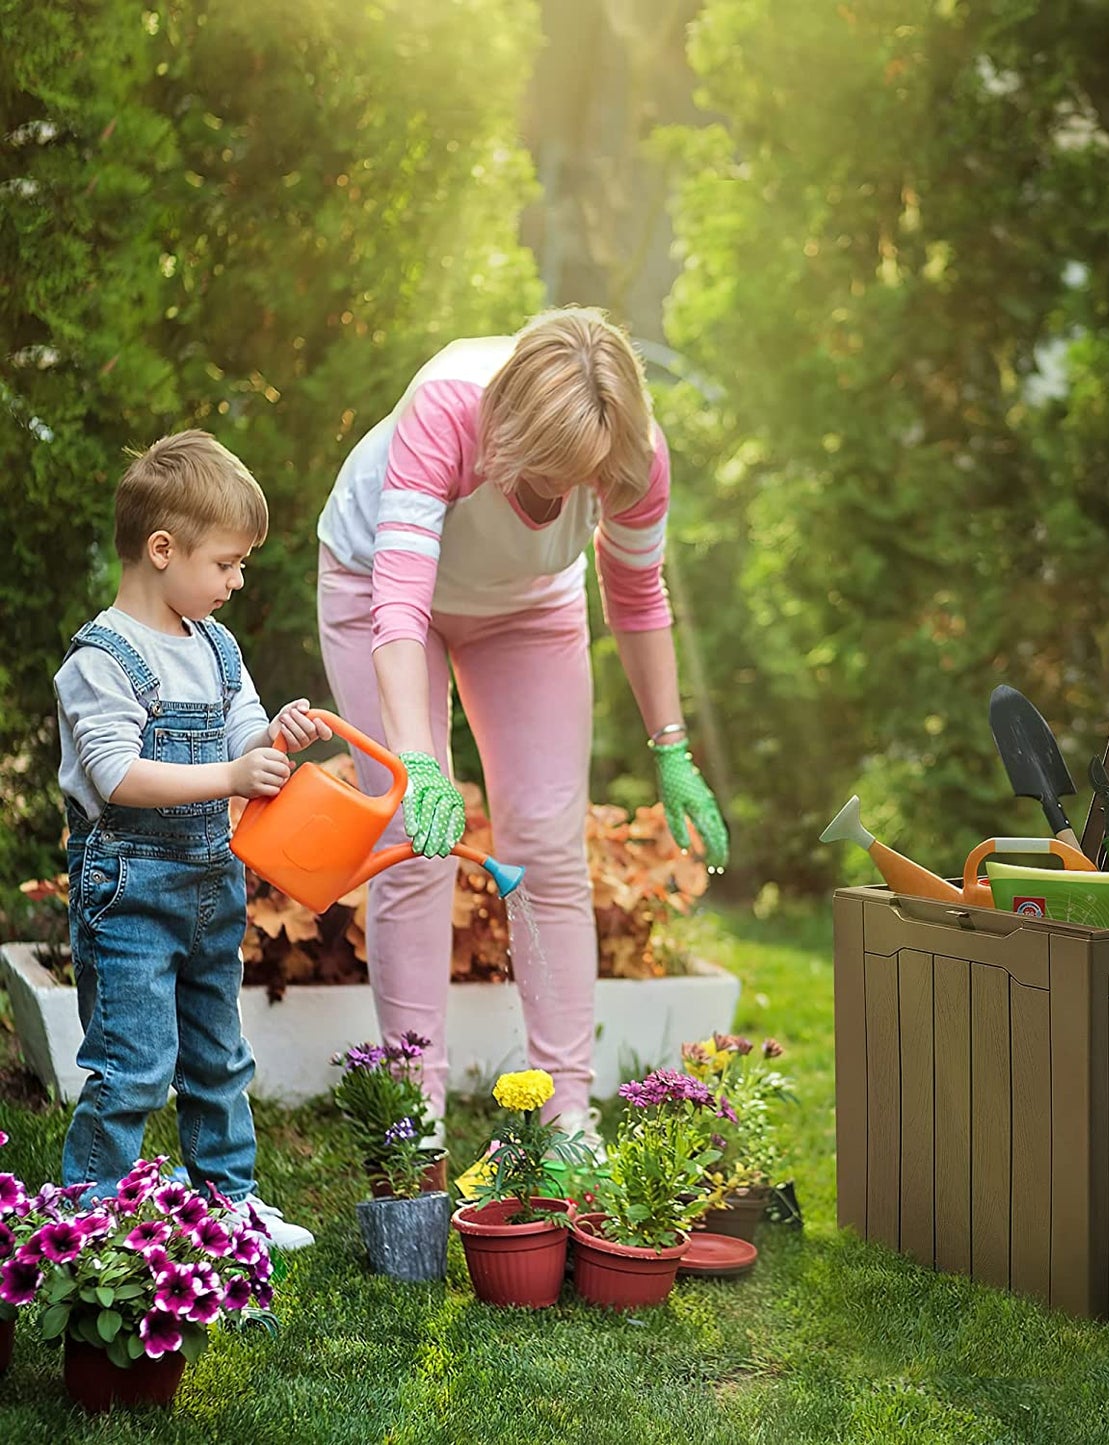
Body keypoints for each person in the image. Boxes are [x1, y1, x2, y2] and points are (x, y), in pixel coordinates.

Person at [315, 307, 728, 1152]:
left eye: (588, 478)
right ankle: (413, 1110)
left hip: (527, 612)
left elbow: (638, 596)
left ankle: (567, 1112)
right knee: (412, 837)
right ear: (510, 426)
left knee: (546, 845)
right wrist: (419, 764)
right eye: (551, 474)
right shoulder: (447, 408)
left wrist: (671, 746)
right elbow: (399, 600)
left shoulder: (635, 454)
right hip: (379, 593)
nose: (567, 496)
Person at [55, 430, 327, 1248]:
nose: (238, 580)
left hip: (212, 891)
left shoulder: (214, 644)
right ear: (162, 549)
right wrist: (231, 778)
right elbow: (117, 775)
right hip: (130, 895)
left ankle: (228, 1202)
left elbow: (243, 734)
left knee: (217, 1056)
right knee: (134, 1066)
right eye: (227, 563)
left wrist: (273, 736)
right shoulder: (101, 659)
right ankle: (87, 1216)